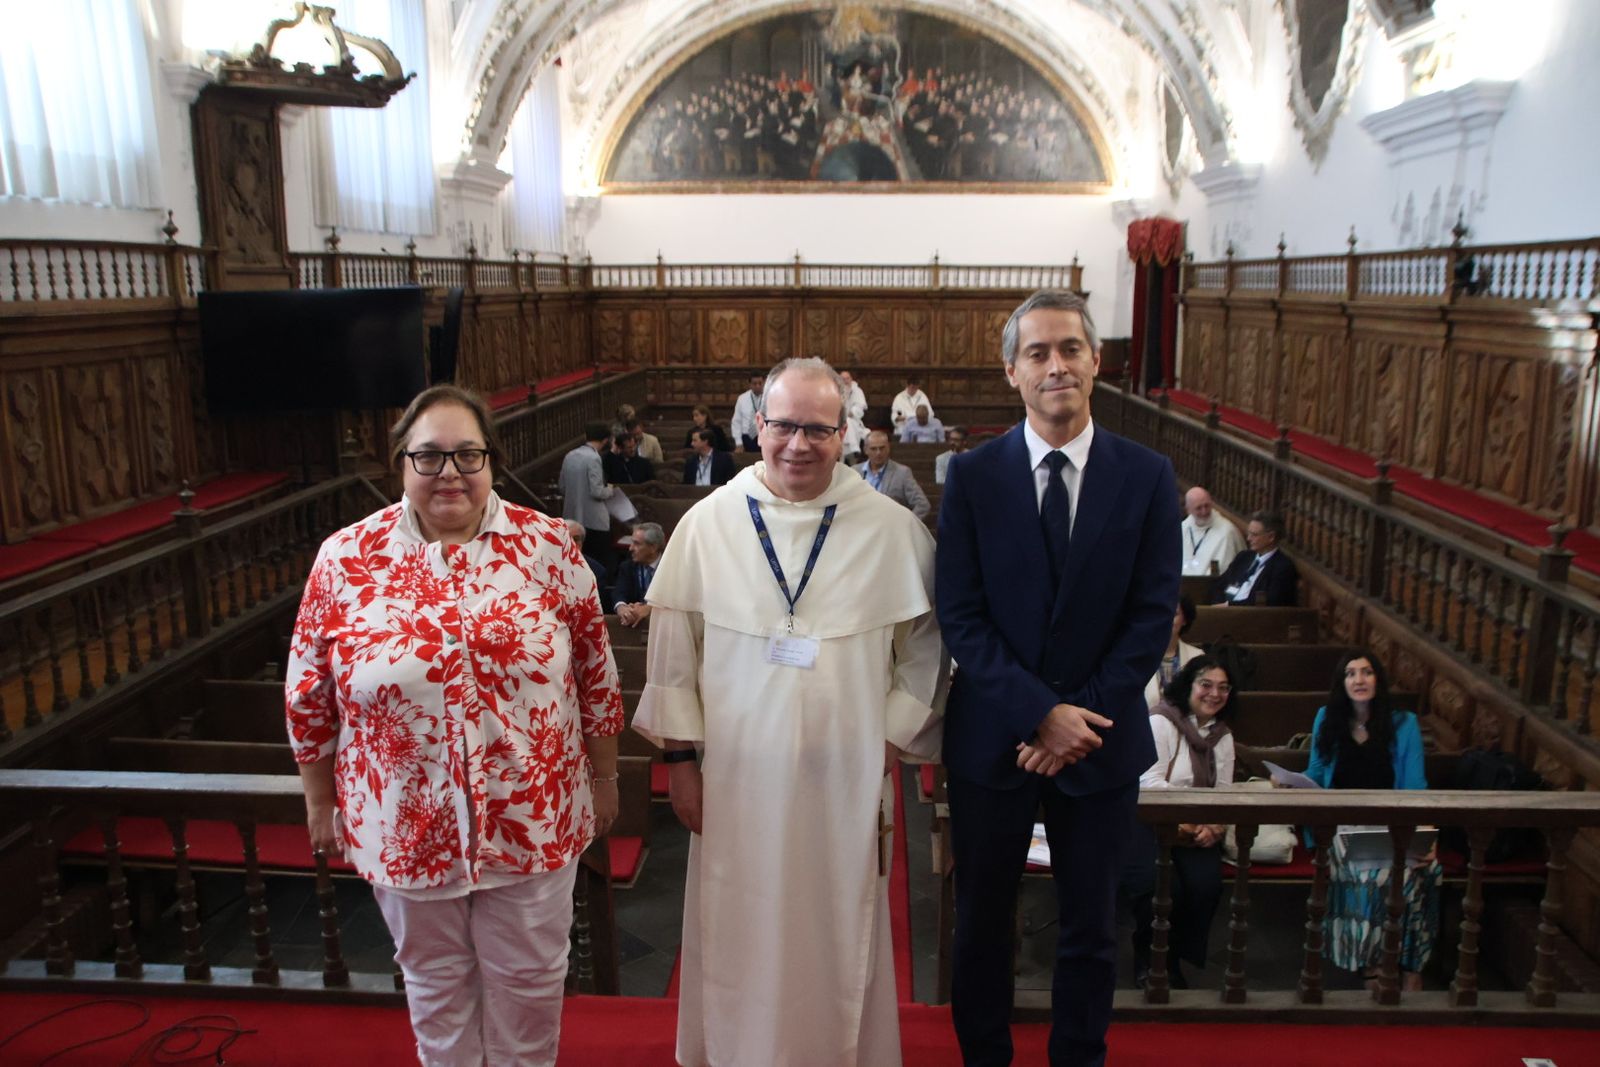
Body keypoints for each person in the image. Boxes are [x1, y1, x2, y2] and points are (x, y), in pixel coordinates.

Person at [286, 384, 623, 1067]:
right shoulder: (346, 559)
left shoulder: (550, 547)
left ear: (491, 460)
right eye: (430, 456)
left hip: (533, 817)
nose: (450, 473)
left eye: (467, 454)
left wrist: (607, 775)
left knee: (529, 992)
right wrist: (319, 798)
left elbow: (595, 676)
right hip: (405, 824)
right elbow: (307, 692)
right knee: (436, 993)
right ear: (401, 465)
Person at [633, 357, 946, 1067]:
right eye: (783, 426)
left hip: (849, 776)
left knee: (838, 925)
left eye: (817, 428)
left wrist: (892, 739)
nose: (798, 444)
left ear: (846, 432)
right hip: (737, 780)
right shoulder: (708, 523)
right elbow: (675, 652)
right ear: (759, 426)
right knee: (740, 919)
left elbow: (925, 647)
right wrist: (681, 763)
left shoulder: (892, 530)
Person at [937, 289, 1179, 1067]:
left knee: (1090, 925)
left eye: (1070, 348)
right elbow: (962, 615)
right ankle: (984, 1058)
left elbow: (1150, 618)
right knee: (980, 921)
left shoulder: (1146, 475)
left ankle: (1079, 1056)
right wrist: (1040, 714)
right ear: (1012, 371)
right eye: (1037, 352)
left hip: (1101, 743)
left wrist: (1075, 723)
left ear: (1096, 361)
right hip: (992, 742)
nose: (1056, 366)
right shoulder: (971, 475)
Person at [1305, 649, 1440, 993]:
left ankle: (1408, 965)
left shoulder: (1403, 724)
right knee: (1371, 875)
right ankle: (1372, 965)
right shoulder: (1328, 718)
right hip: (1343, 828)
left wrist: (1426, 835)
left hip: (1392, 826)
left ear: (1378, 679)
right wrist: (1287, 781)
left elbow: (1415, 786)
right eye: (1351, 673)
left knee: (1417, 873)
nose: (1359, 680)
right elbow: (1318, 774)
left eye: (1366, 672)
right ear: (1342, 683)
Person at [1128, 655, 1237, 990]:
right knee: (1165, 887)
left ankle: (1173, 956)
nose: (1214, 694)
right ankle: (1149, 958)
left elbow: (1224, 791)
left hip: (1195, 829)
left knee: (1205, 885)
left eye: (1223, 688)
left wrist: (1214, 825)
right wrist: (1193, 819)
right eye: (1206, 685)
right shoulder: (1162, 722)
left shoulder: (1222, 735)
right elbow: (1149, 782)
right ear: (1188, 685)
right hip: (1149, 824)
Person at [560, 421, 618, 571]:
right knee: (598, 564)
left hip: (572, 516)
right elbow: (597, 491)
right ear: (606, 440)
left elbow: (562, 487)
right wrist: (611, 490)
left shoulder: (570, 455)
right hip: (593, 520)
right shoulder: (593, 458)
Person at [1210, 509, 1299, 606]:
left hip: (1251, 617)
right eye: (1249, 533)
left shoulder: (1283, 567)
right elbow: (1219, 585)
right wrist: (1218, 605)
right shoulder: (1244, 557)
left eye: (1254, 535)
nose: (1248, 538)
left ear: (1271, 537)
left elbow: (1271, 603)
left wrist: (1229, 607)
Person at [856, 430, 930, 519]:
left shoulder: (902, 473)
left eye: (882, 448)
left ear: (888, 448)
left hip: (889, 528)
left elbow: (922, 504)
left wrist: (905, 525)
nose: (878, 453)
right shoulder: (855, 471)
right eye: (873, 449)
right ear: (865, 450)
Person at [1145, 595, 1201, 709]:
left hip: (1185, 722)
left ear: (1185, 620)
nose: (1166, 619)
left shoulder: (1197, 656)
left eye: (1174, 614)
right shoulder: (1138, 655)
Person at [1180, 486, 1245, 577]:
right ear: (1188, 510)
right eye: (1198, 508)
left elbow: (1226, 571)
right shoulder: (1183, 527)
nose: (1204, 511)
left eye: (1207, 506)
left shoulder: (1226, 532)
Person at [614, 521, 664, 628]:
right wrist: (622, 607)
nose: (630, 548)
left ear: (653, 548)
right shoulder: (627, 567)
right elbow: (619, 592)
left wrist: (650, 608)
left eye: (637, 544)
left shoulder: (670, 568)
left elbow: (672, 598)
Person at [730, 371, 764, 451]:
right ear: (750, 385)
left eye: (760, 383)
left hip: (764, 436)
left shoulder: (770, 397)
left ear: (764, 383)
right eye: (754, 383)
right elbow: (736, 421)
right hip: (747, 437)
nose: (758, 386)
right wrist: (739, 443)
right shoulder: (742, 399)